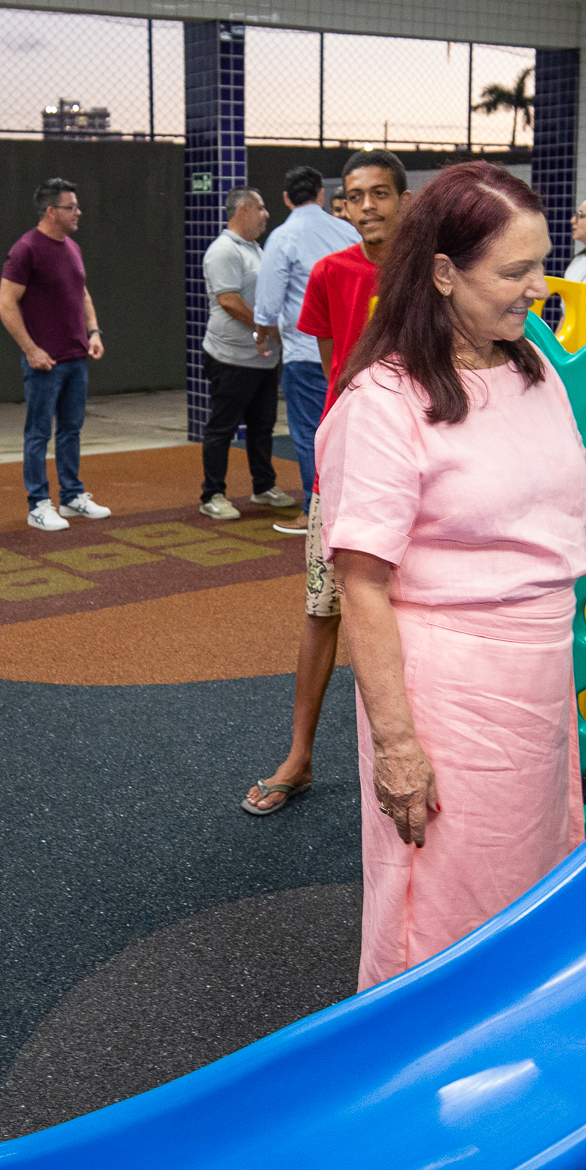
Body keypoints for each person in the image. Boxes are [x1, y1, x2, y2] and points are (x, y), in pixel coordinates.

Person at [318, 163, 586, 985]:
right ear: (444, 274)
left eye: (542, 263)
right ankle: (426, 1042)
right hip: (446, 693)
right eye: (515, 271)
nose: (539, 287)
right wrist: (397, 745)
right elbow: (361, 583)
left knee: (527, 879)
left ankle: (507, 1026)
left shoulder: (530, 372)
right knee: (444, 898)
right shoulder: (382, 403)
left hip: (537, 682)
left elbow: (555, 515)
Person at [241, 152, 404, 816]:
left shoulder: (433, 273)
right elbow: (338, 365)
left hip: (416, 464)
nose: (367, 206)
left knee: (416, 611)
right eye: (355, 195)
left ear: (404, 201)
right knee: (322, 608)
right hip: (346, 465)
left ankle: (409, 752)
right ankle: (299, 756)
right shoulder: (332, 272)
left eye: (380, 194)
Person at [0, 176, 112, 532]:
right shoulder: (26, 249)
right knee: (38, 434)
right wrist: (31, 350)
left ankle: (72, 496)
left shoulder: (72, 247)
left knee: (71, 430)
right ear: (51, 211)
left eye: (76, 206)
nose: (79, 212)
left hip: (76, 358)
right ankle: (38, 505)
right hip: (45, 364)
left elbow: (82, 293)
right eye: (71, 207)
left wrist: (93, 331)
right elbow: (5, 304)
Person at [254, 163, 359, 529]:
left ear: (286, 198)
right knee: (350, 431)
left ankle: (315, 511)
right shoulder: (348, 231)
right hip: (351, 349)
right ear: (321, 194)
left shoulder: (283, 237)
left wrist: (262, 335)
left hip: (306, 351)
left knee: (311, 433)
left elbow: (267, 304)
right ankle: (350, 507)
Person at [197, 188, 291, 520]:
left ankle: (264, 487)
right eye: (261, 208)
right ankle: (212, 495)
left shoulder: (256, 249)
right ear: (243, 210)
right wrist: (266, 327)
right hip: (230, 358)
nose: (267, 214)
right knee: (222, 428)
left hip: (262, 358)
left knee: (263, 426)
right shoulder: (223, 250)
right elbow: (229, 300)